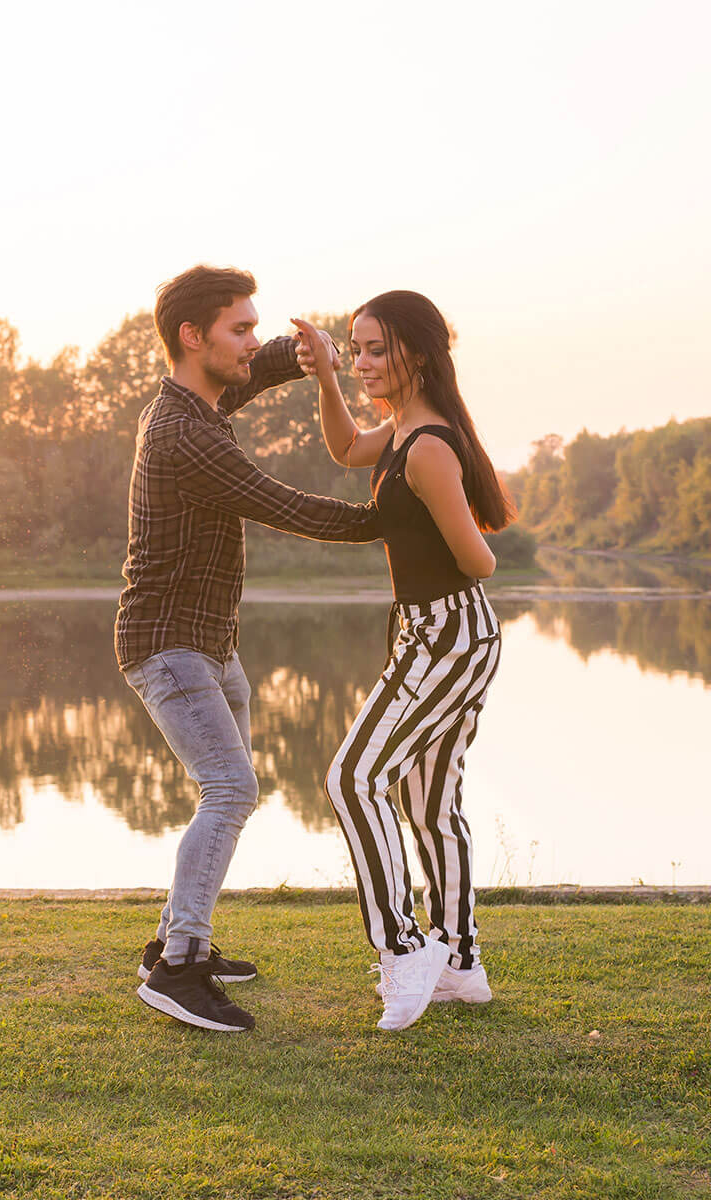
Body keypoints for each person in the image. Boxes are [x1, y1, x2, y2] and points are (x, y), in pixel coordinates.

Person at [116, 265, 384, 1033]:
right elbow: (285, 505)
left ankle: (174, 942)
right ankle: (178, 967)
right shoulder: (181, 435)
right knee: (230, 789)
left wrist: (298, 358)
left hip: (208, 645)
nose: (252, 340)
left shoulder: (194, 405)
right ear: (192, 337)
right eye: (240, 328)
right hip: (168, 647)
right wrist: (388, 516)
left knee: (233, 790)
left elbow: (247, 378)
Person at [294, 290, 515, 1032]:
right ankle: (461, 966)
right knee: (427, 805)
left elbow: (478, 560)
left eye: (374, 349)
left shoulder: (426, 448)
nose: (361, 362)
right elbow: (342, 447)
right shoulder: (400, 431)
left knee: (353, 778)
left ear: (416, 354)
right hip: (444, 637)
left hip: (447, 637)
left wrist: (436, 524)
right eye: (353, 349)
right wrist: (324, 377)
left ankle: (405, 946)